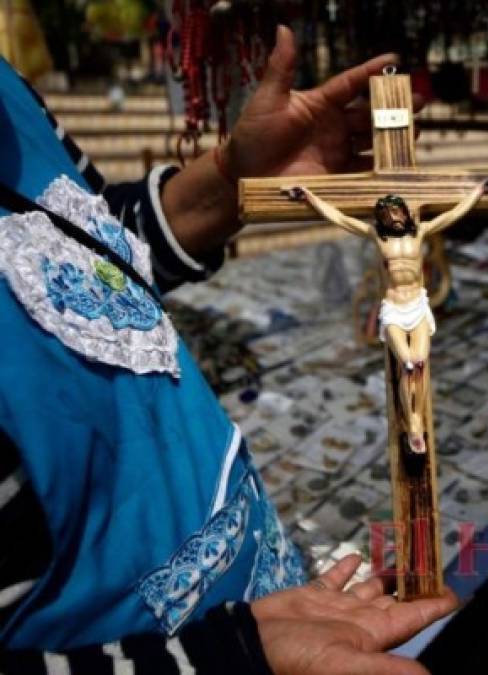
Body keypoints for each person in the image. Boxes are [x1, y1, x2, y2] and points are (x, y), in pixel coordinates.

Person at [0, 25, 456, 674]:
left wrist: (236, 178)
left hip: (275, 601)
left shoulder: (9, 97)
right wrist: (233, 654)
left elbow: (95, 248)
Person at [286, 176, 488, 455]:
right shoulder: (379, 237)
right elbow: (341, 219)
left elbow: (453, 213)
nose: (396, 217)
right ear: (383, 217)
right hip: (393, 309)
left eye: (398, 212)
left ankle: (415, 422)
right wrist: (310, 198)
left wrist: (478, 192)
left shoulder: (421, 232)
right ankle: (413, 424)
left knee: (420, 364)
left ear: (405, 212)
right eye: (389, 214)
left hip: (417, 306)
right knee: (408, 364)